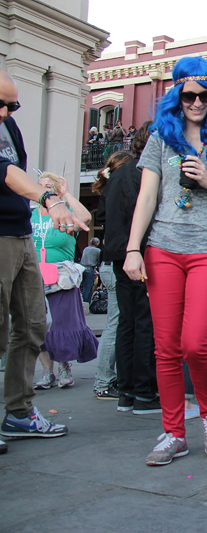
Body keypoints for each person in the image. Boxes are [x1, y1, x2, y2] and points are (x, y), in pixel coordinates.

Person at [123, 57, 207, 466]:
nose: (195, 103)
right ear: (176, 96)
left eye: (203, 95)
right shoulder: (162, 138)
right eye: (188, 95)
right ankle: (173, 432)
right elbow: (147, 196)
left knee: (195, 342)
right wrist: (132, 248)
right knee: (165, 348)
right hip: (162, 248)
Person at [0, 69, 86, 452]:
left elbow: (16, 167)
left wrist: (58, 200)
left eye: (12, 105)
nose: (5, 112)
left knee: (35, 324)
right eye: (0, 104)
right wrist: (49, 200)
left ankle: (18, 413)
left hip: (19, 235)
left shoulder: (11, 128)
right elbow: (4, 173)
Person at [102, 121, 160, 414]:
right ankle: (144, 391)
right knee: (145, 323)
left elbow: (104, 214)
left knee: (127, 322)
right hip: (144, 253)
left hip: (118, 254)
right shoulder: (149, 175)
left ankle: (126, 391)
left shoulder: (119, 174)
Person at [31, 173, 97, 389]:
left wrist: (66, 193)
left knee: (60, 324)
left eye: (50, 186)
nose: (45, 189)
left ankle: (64, 367)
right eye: (41, 186)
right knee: (36, 326)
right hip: (32, 276)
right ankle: (46, 372)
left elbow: (86, 218)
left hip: (61, 278)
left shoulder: (66, 215)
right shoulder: (30, 215)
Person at [92, 151, 136, 400]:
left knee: (118, 323)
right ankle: (103, 381)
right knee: (116, 323)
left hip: (110, 263)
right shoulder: (119, 194)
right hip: (116, 263)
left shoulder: (108, 193)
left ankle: (110, 379)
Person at [80, 237, 101, 302]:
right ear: (97, 243)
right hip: (90, 268)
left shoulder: (85, 249)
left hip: (82, 267)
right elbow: (98, 261)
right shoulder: (98, 250)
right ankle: (85, 303)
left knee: (85, 286)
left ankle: (86, 302)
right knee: (88, 287)